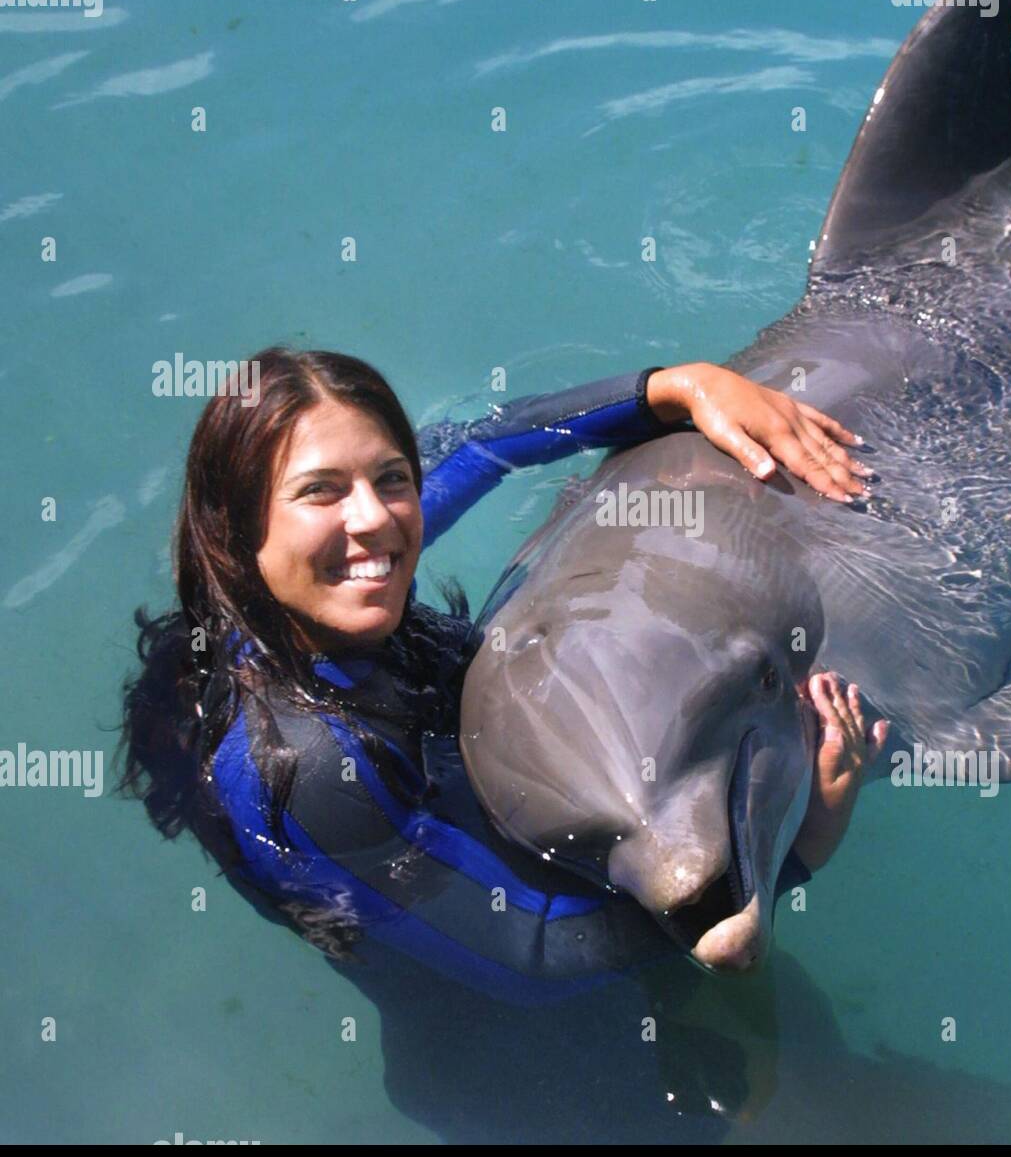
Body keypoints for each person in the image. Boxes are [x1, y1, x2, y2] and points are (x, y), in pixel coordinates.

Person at [119, 349, 888, 1006]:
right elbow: (530, 960)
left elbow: (486, 445)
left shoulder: (291, 594)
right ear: (237, 529)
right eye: (320, 490)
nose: (375, 521)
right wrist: (800, 849)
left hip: (473, 814)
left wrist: (677, 388)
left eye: (390, 478)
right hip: (484, 991)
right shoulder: (315, 768)